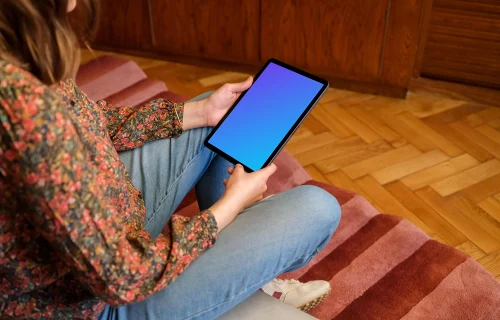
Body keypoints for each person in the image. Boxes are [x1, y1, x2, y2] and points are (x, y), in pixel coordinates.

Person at [0, 0, 341, 319]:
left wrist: (196, 112)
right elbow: (122, 277)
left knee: (220, 115)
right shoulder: (23, 111)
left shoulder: (18, 52)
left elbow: (89, 125)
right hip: (95, 302)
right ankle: (243, 276)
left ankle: (239, 271)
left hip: (113, 223)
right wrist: (227, 209)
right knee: (319, 208)